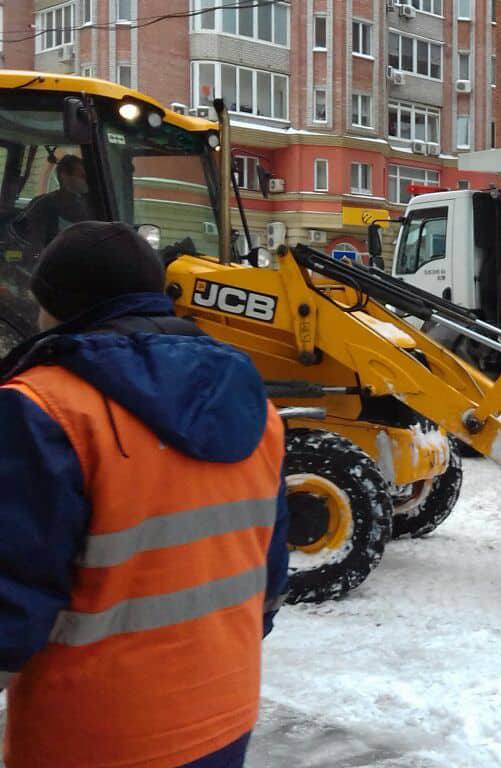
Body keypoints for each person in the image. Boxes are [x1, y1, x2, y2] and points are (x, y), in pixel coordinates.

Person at [0, 221, 291, 768]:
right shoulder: (255, 408)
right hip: (223, 714)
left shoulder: (44, 409)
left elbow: (10, 603)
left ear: (56, 305)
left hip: (93, 737)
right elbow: (268, 579)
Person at [13, 153, 93, 252]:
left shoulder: (90, 204)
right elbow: (32, 244)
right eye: (81, 176)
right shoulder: (42, 205)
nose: (86, 180)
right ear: (65, 176)